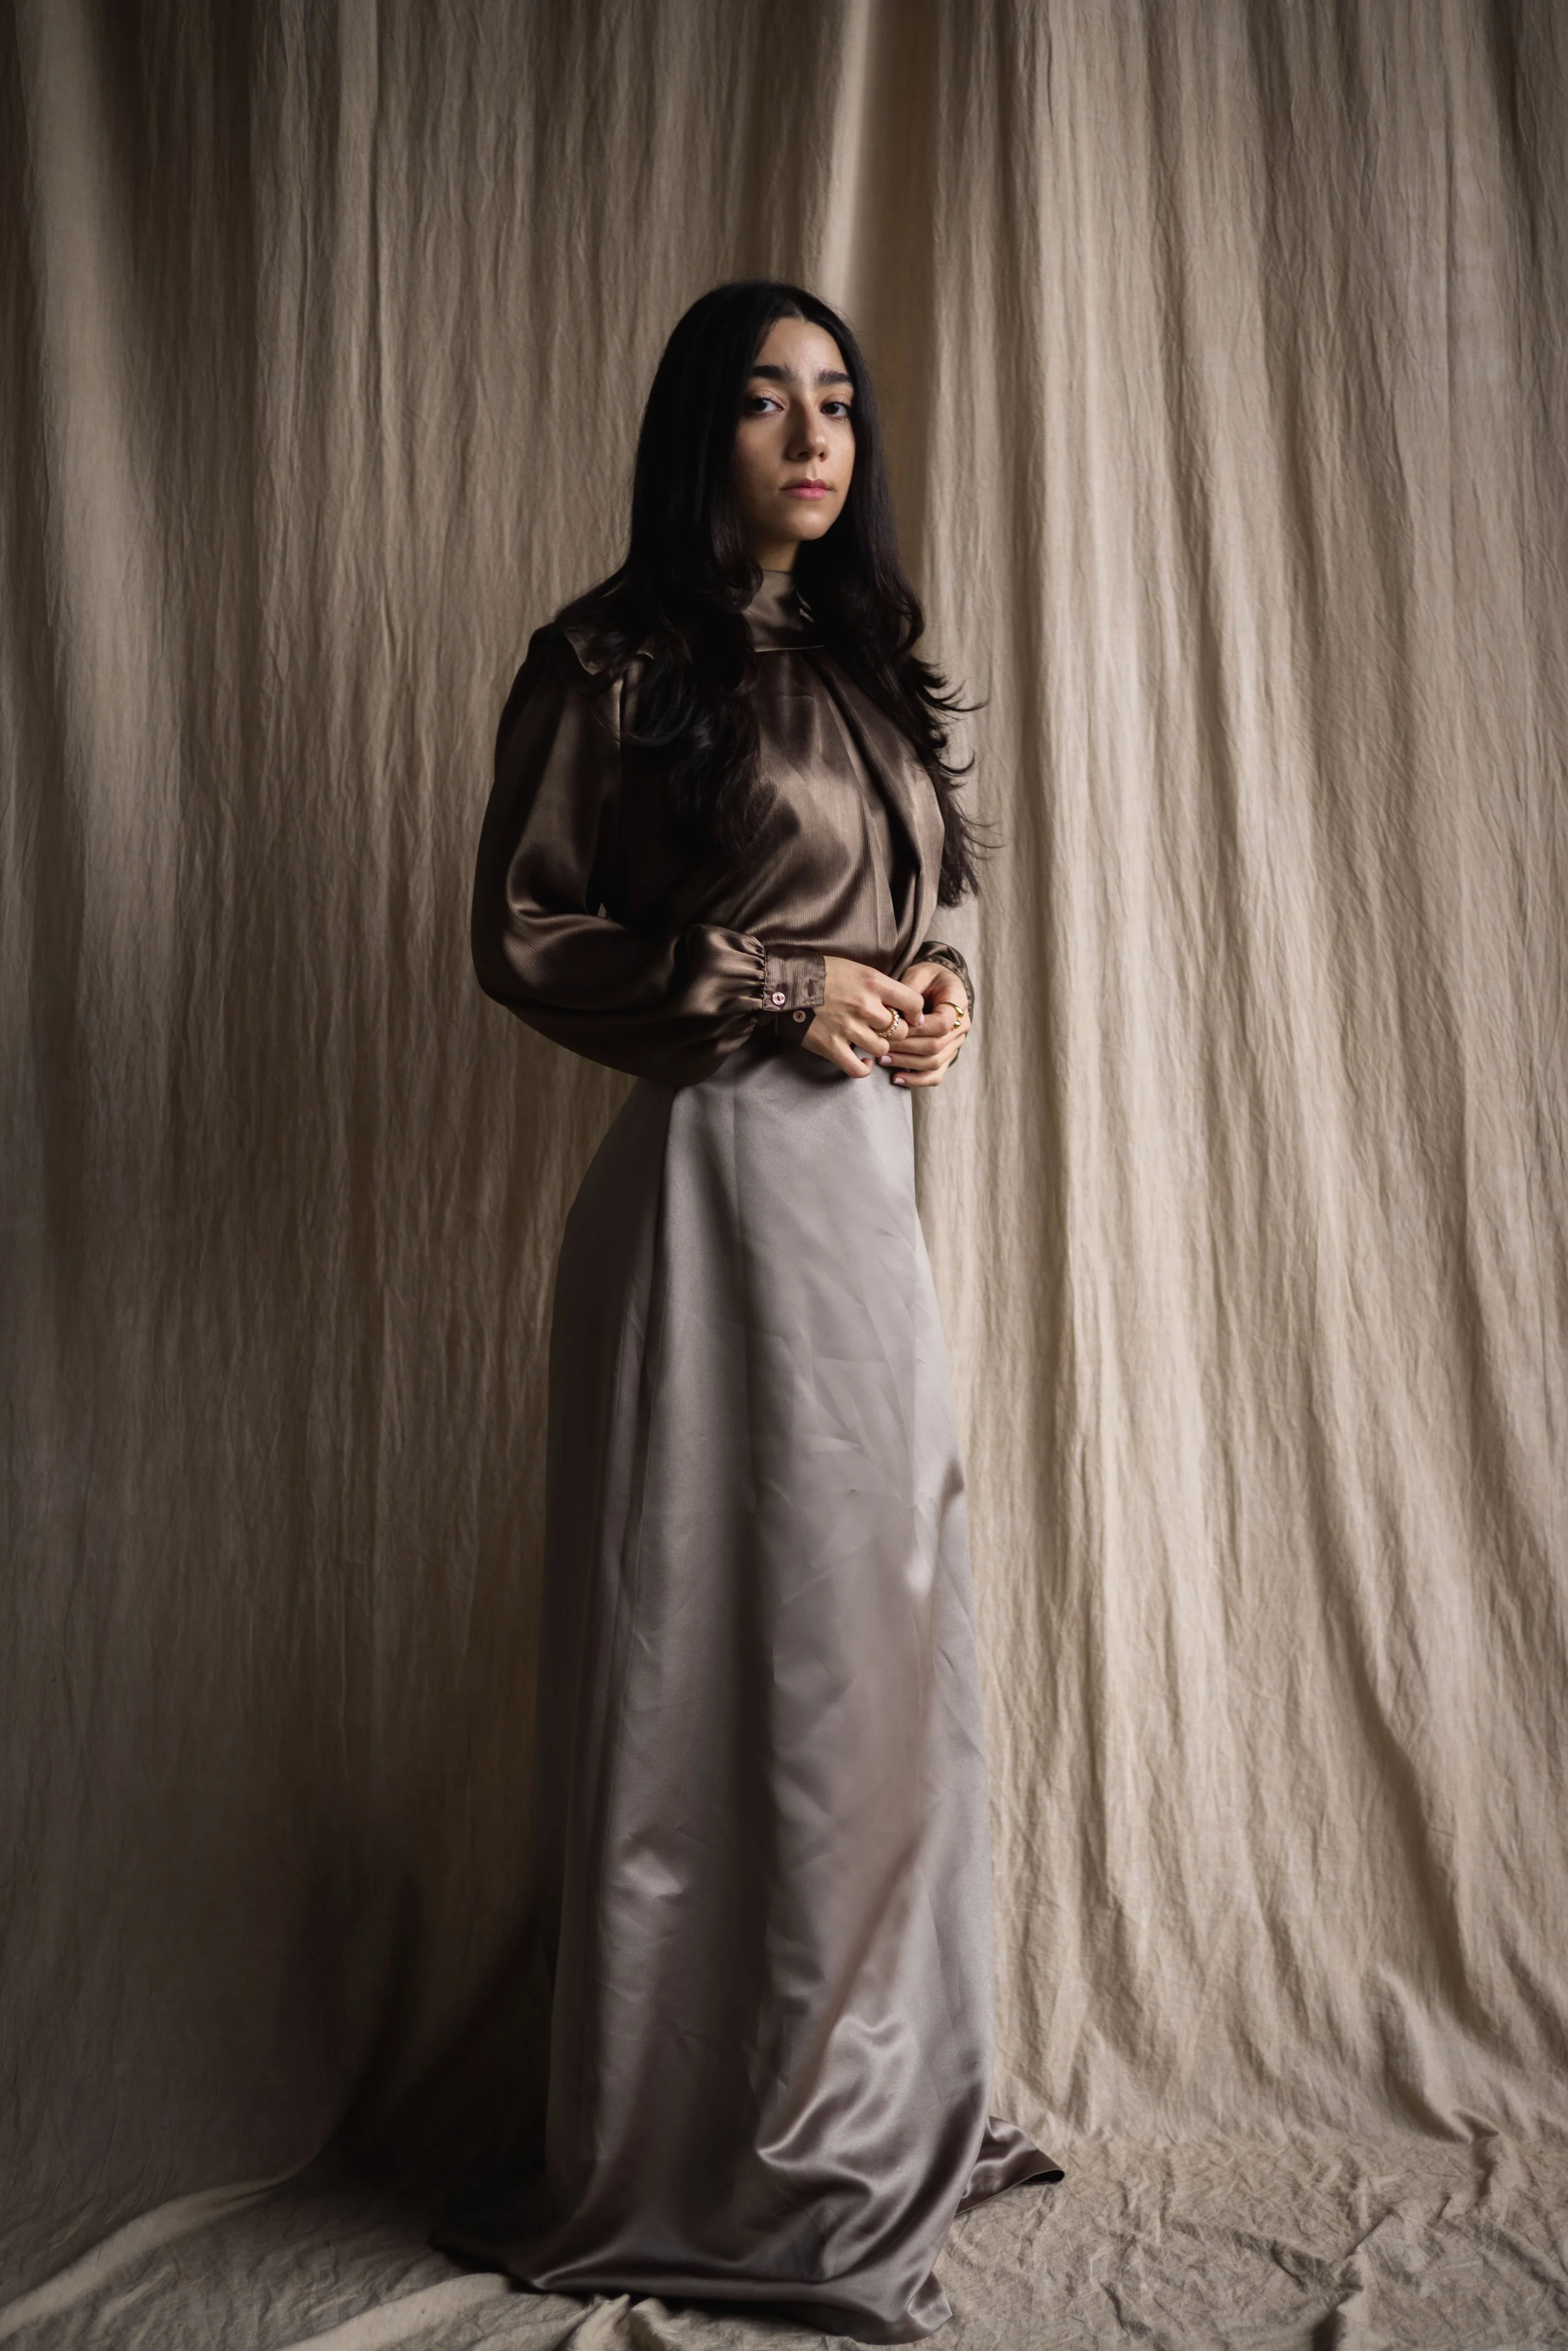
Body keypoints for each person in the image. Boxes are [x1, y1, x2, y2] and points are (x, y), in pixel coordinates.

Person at [438, 279, 1061, 2343]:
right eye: (768, 401)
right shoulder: (609, 661)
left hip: (863, 1199)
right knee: (726, 1644)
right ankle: (707, 2134)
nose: (815, 434)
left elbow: (902, 910)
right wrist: (784, 987)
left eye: (840, 401)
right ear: (698, 429)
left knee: (873, 1638)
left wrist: (931, 988)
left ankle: (869, 2080)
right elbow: (523, 935)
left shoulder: (875, 668)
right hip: (710, 1192)